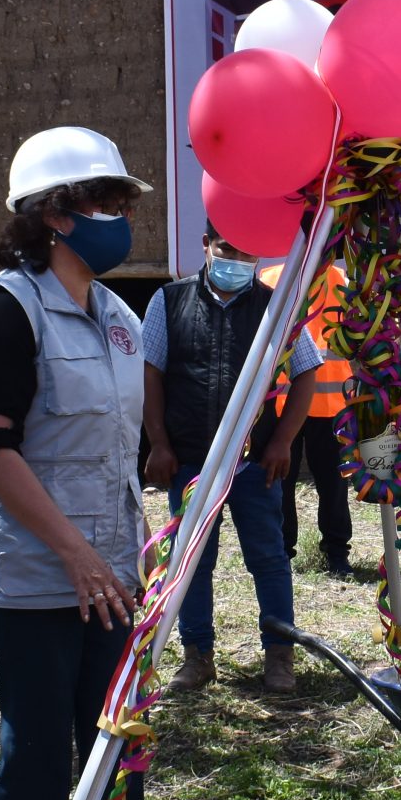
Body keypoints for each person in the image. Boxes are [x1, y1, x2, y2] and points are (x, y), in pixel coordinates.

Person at [0, 126, 179, 800]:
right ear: (52, 213)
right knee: (40, 755)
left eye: (124, 200)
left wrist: (128, 550)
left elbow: (116, 448)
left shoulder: (119, 316)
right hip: (39, 578)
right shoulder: (2, 311)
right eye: (104, 200)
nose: (121, 216)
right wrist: (75, 553)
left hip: (112, 575)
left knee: (117, 749)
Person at [143, 225, 322, 695]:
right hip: (189, 461)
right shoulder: (168, 301)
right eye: (227, 248)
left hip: (256, 462)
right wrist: (158, 443)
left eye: (247, 251)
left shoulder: (276, 306)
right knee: (191, 561)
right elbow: (151, 375)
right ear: (205, 246)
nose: (236, 259)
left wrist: (283, 440)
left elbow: (306, 373)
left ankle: (279, 656)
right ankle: (196, 655)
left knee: (269, 557)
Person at [278, 259, 357, 577]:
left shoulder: (347, 287)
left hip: (332, 405)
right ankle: (280, 552)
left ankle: (337, 553)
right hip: (283, 405)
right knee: (279, 482)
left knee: (334, 486)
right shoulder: (272, 280)